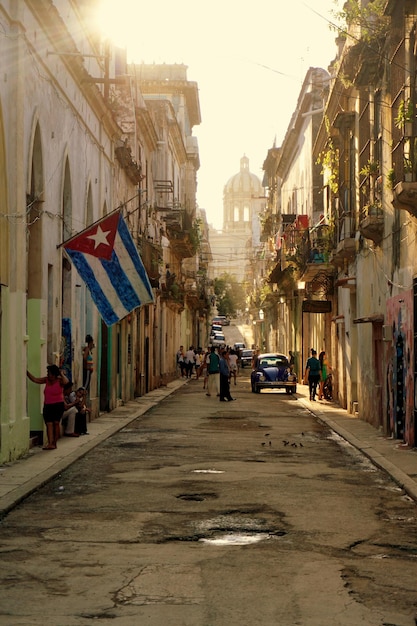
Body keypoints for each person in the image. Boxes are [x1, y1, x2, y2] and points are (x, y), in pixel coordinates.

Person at [27, 364, 69, 449]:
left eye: (49, 372)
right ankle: (50, 443)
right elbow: (35, 379)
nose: (47, 374)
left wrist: (61, 374)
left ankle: (54, 442)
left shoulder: (60, 381)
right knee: (49, 424)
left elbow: (66, 382)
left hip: (58, 405)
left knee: (56, 423)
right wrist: (26, 372)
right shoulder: (46, 380)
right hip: (47, 405)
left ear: (53, 374)